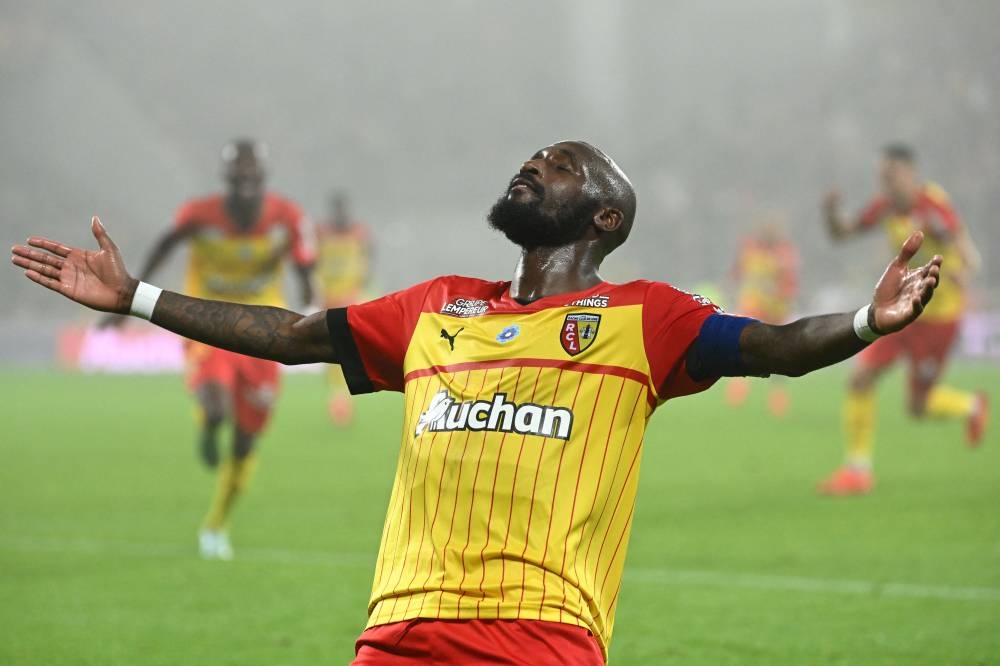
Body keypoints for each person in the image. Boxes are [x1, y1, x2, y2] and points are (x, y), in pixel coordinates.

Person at [13, 140, 941, 664]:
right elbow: (295, 334)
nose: (534, 164)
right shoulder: (436, 306)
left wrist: (866, 319)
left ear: (605, 217)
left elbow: (772, 348)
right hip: (401, 632)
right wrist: (136, 298)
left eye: (563, 165)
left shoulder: (642, 319)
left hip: (541, 638)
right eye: (532, 157)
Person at [103, 138, 317, 558]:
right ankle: (208, 423)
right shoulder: (198, 215)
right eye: (237, 176)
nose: (244, 183)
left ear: (262, 178)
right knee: (218, 407)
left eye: (252, 175)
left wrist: (309, 313)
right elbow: (164, 245)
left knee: (245, 442)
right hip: (208, 323)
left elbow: (306, 267)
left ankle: (217, 523)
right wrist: (129, 292)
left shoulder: (287, 218)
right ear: (226, 179)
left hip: (264, 333)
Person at [819, 143, 989, 496]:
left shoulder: (931, 207)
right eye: (882, 176)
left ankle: (972, 405)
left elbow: (960, 241)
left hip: (939, 318)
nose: (885, 182)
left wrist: (967, 269)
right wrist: (830, 211)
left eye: (892, 175)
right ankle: (857, 471)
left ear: (911, 175)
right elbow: (840, 234)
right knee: (860, 379)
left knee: (918, 407)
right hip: (903, 311)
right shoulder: (884, 208)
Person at [725, 214, 799, 416]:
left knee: (778, 353)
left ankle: (777, 398)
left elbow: (790, 282)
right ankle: (738, 390)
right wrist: (732, 286)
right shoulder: (749, 247)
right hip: (753, 304)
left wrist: (785, 297)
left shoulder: (785, 253)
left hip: (776, 308)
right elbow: (737, 270)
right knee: (743, 344)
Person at [316, 191, 371, 425]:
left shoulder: (359, 234)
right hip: (329, 300)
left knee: (348, 354)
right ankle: (340, 400)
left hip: (351, 301)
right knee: (334, 358)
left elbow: (367, 262)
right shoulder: (321, 234)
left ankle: (343, 402)